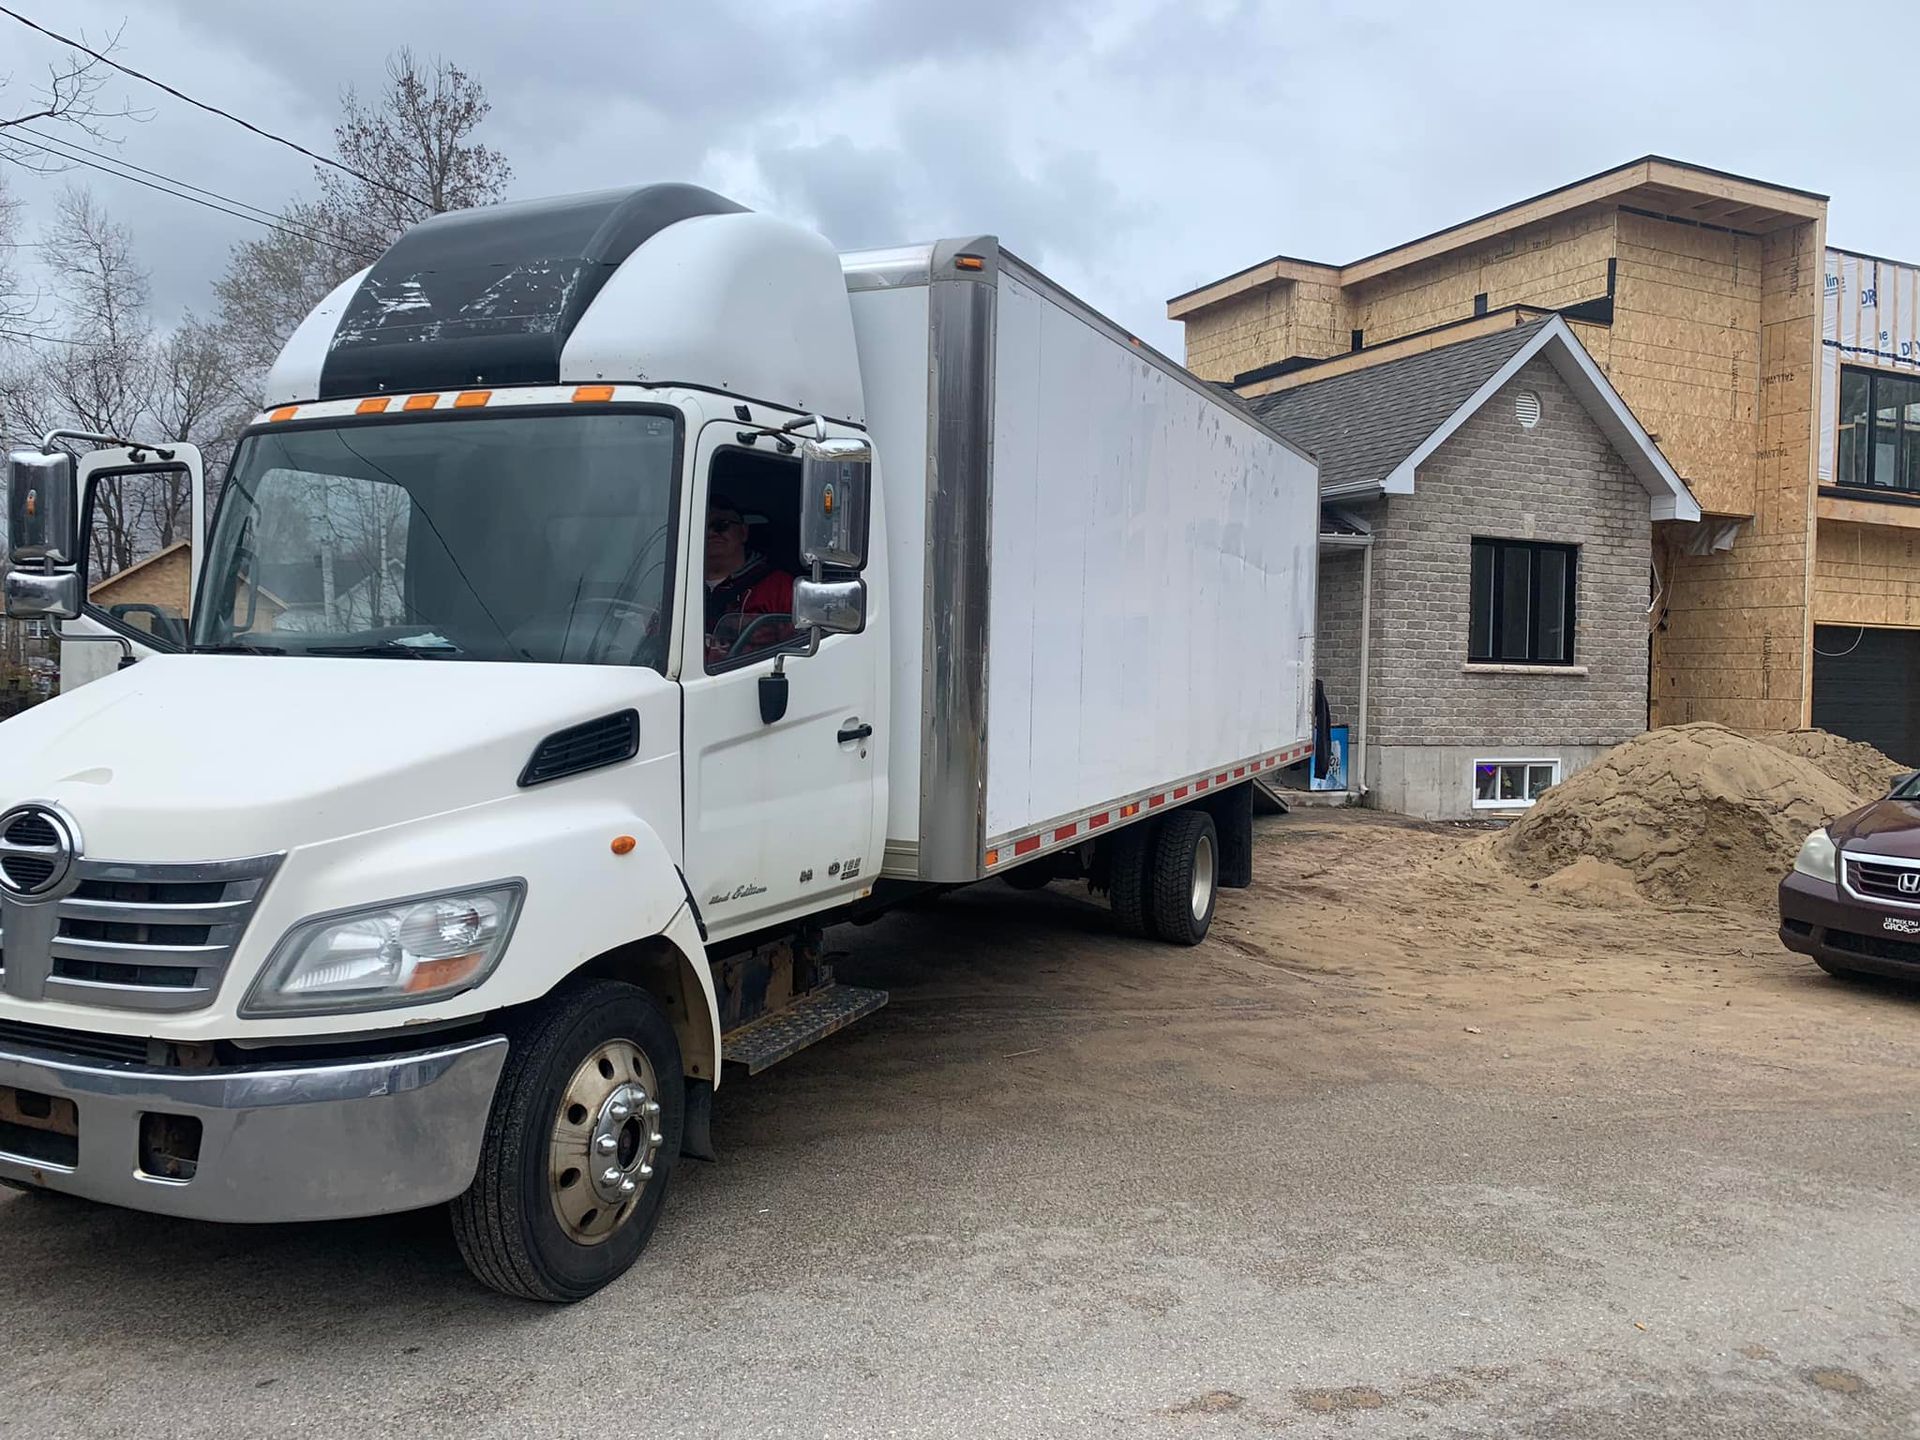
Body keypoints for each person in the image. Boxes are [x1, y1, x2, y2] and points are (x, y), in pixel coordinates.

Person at [703, 493, 794, 665]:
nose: (710, 533)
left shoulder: (781, 587)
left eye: (720, 525)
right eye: (702, 527)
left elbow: (799, 651)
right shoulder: (677, 588)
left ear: (743, 532)